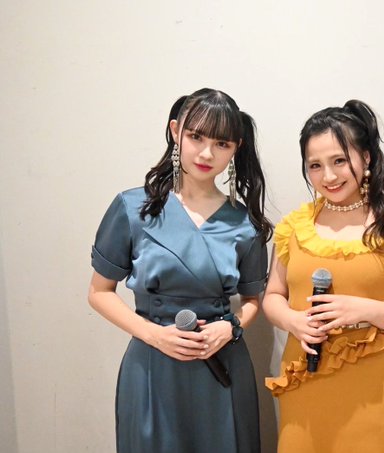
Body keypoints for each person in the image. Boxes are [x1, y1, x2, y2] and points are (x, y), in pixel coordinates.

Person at [88, 88, 272, 453]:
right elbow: (98, 292)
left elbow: (253, 300)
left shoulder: (245, 223)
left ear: (235, 148)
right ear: (176, 132)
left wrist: (231, 327)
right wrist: (155, 336)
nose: (206, 153)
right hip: (152, 364)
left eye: (221, 143)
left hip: (222, 364)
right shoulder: (132, 208)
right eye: (196, 136)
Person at [263, 100, 384, 453]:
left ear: (365, 158)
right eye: (315, 165)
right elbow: (272, 296)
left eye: (339, 160)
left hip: (372, 383)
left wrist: (361, 309)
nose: (329, 176)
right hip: (304, 373)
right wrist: (293, 321)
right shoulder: (293, 227)